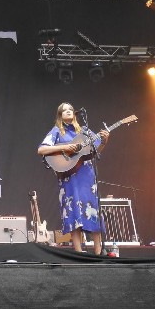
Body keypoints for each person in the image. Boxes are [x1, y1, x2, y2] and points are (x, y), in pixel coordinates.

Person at [37, 102, 109, 255]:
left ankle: (98, 251)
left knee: (93, 210)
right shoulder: (57, 131)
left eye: (71, 109)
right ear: (60, 115)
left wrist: (104, 141)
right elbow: (41, 149)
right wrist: (63, 147)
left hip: (87, 175)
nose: (69, 112)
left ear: (75, 114)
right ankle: (78, 251)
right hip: (69, 177)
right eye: (65, 110)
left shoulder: (84, 131)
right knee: (73, 209)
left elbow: (96, 152)